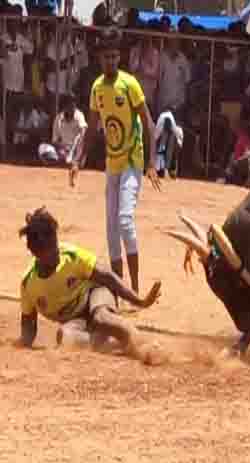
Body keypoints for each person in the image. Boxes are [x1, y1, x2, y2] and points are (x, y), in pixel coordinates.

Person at [70, 26, 162, 302]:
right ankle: (120, 292)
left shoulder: (129, 84)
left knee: (124, 220)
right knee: (111, 227)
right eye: (105, 57)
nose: (109, 61)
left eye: (113, 56)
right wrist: (78, 160)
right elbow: (92, 128)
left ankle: (134, 285)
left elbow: (147, 121)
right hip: (113, 163)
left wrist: (151, 162)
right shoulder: (97, 88)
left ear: (118, 56)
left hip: (133, 159)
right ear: (100, 57)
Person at [17, 207, 162, 359]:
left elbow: (108, 277)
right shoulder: (29, 284)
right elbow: (28, 329)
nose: (56, 253)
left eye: (55, 245)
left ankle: (140, 342)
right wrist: (21, 342)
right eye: (50, 252)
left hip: (95, 295)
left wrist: (139, 301)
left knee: (101, 317)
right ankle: (117, 343)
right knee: (65, 337)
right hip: (76, 321)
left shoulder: (72, 256)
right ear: (35, 253)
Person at [38, 93, 87, 165]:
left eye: (73, 104)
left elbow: (83, 132)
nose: (72, 107)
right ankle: (60, 161)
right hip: (63, 150)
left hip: (77, 150)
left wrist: (73, 149)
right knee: (42, 147)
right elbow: (55, 140)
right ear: (64, 106)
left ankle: (72, 161)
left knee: (79, 140)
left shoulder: (79, 115)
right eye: (69, 104)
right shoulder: (58, 118)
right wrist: (63, 148)